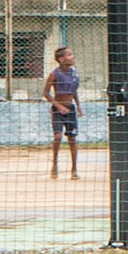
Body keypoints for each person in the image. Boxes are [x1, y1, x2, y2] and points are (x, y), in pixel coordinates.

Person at [43, 45, 82, 179]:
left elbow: (74, 91)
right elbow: (46, 93)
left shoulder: (73, 73)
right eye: (69, 54)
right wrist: (58, 106)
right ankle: (54, 163)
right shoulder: (55, 74)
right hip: (58, 109)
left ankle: (74, 168)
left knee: (72, 138)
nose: (72, 57)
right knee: (58, 136)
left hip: (70, 109)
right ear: (61, 59)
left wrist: (78, 106)